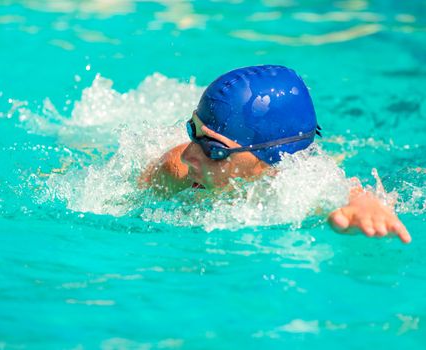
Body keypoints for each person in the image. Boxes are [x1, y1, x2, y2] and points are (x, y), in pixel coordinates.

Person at [140, 65, 411, 244]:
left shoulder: (289, 182)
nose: (189, 155)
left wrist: (364, 205)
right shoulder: (175, 170)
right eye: (192, 131)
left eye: (214, 149)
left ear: (272, 159)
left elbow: (339, 192)